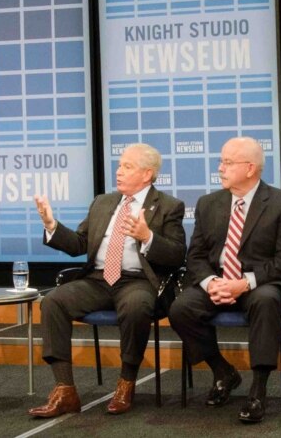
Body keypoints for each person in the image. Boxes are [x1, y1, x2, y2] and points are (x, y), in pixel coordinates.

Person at [28, 143, 186, 417]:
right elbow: (79, 244)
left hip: (137, 281)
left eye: (127, 166)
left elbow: (176, 254)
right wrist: (52, 225)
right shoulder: (103, 202)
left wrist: (147, 237)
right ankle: (65, 389)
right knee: (53, 301)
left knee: (136, 306)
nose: (119, 171)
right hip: (97, 279)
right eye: (119, 165)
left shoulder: (169, 207)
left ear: (147, 174)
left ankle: (126, 382)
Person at [169, 136, 281, 424]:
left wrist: (244, 283)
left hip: (261, 283)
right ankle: (223, 371)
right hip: (218, 282)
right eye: (221, 161)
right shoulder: (209, 203)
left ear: (250, 168)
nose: (220, 168)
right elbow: (195, 256)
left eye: (228, 162)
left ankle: (258, 390)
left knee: (267, 301)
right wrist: (210, 283)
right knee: (181, 308)